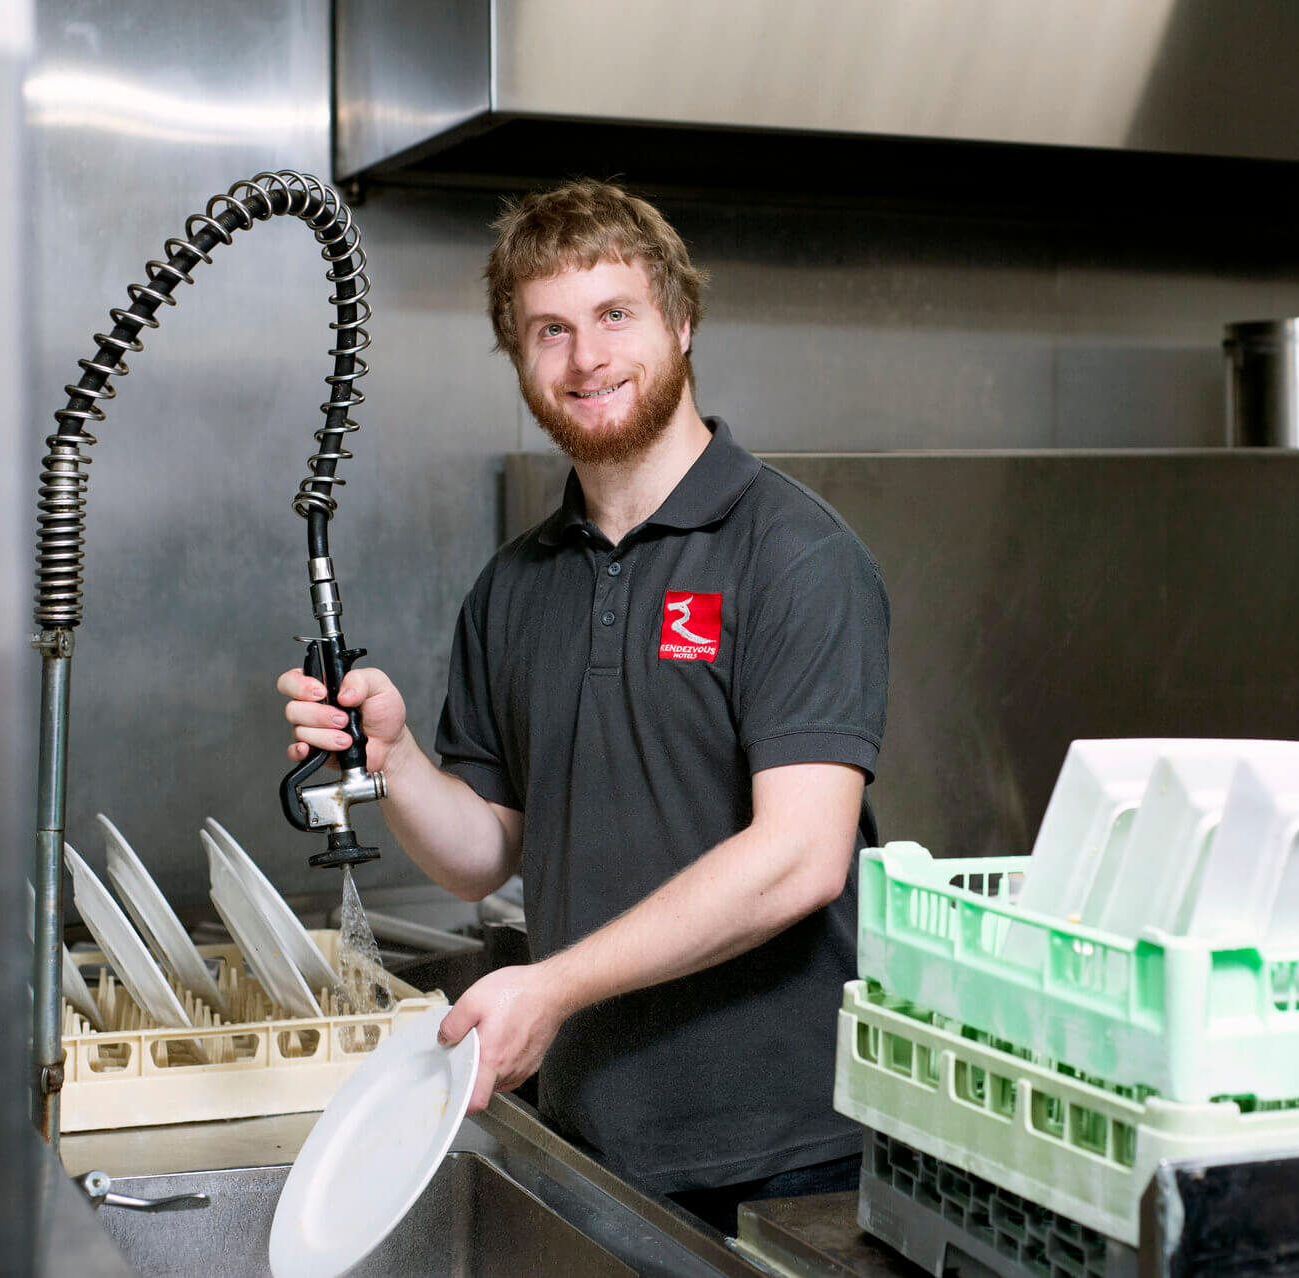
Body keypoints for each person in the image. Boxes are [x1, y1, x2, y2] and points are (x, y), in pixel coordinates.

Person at [277, 180, 890, 1228]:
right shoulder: (515, 585)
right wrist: (398, 757)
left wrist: (552, 988)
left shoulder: (793, 554)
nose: (587, 358)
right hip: (598, 1142)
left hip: (795, 1157)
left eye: (616, 316)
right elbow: (484, 852)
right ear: (519, 358)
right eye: (549, 330)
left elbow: (802, 857)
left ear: (681, 321)